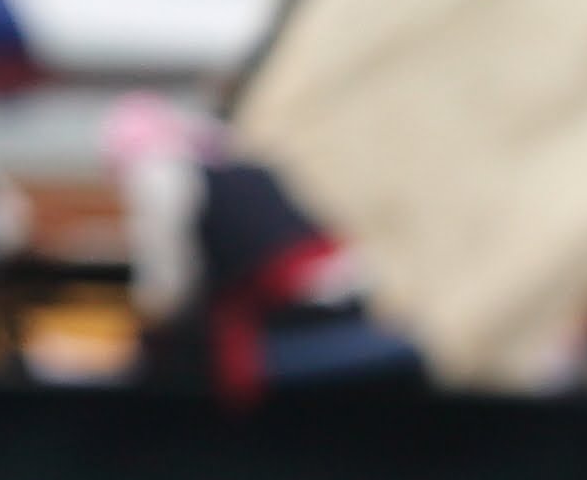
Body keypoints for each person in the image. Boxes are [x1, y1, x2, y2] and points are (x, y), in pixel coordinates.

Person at [108, 95, 420, 403]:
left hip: (293, 327)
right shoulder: (238, 163)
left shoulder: (162, 174)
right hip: (342, 303)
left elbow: (170, 292)